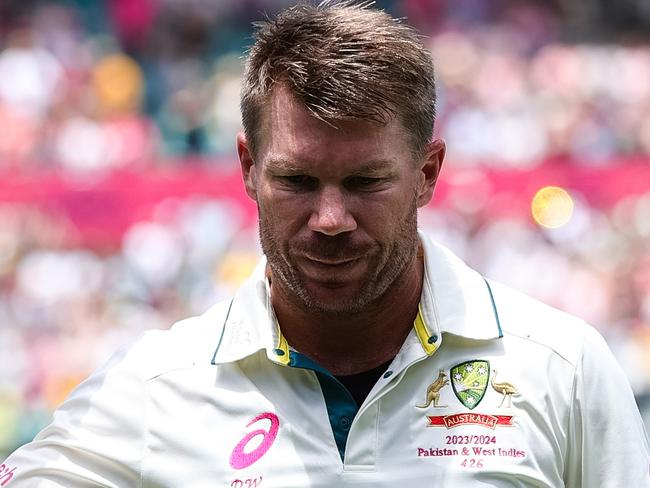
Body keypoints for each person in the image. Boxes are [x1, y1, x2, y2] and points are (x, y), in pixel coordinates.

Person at [2, 2, 649, 487]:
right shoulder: (155, 388)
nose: (331, 218)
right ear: (248, 168)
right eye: (297, 181)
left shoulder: (563, 371)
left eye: (366, 181)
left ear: (427, 174)